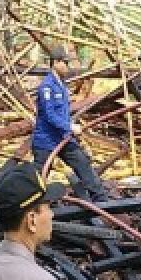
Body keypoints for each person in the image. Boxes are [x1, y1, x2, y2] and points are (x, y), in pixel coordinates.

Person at [32, 45, 106, 201]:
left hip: (64, 138)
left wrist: (70, 127)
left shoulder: (62, 86)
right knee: (39, 177)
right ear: (56, 63)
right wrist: (69, 126)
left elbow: (63, 113)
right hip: (46, 141)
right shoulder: (47, 87)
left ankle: (101, 201)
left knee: (83, 164)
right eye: (65, 63)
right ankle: (32, 206)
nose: (67, 66)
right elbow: (50, 116)